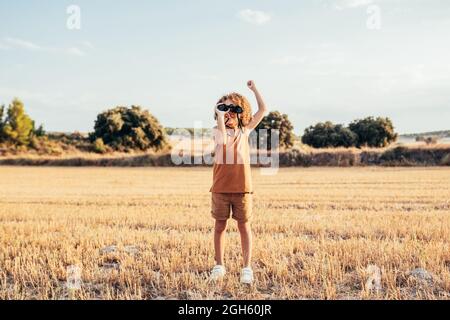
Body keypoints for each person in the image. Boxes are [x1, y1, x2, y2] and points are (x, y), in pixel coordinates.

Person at [209, 80, 268, 284]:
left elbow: (263, 109)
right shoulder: (217, 131)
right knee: (220, 226)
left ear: (240, 112)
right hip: (220, 188)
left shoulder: (245, 131)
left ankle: (246, 268)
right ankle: (219, 265)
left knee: (244, 227)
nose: (229, 112)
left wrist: (254, 89)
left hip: (243, 189)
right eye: (225, 108)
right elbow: (223, 141)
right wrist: (219, 115)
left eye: (233, 108)